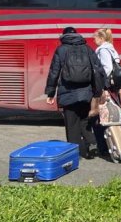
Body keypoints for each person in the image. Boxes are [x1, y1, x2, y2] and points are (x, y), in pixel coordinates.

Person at [45, 26, 104, 159]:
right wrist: (98, 91)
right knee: (84, 121)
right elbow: (98, 70)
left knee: (72, 125)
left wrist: (50, 92)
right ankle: (92, 143)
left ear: (63, 37)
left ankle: (77, 154)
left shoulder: (61, 50)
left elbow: (54, 72)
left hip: (68, 92)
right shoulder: (88, 49)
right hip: (86, 92)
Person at [91, 28, 121, 156]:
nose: (93, 39)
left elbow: (107, 68)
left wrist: (101, 85)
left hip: (105, 88)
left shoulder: (103, 50)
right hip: (111, 87)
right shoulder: (111, 48)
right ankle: (113, 144)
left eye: (95, 37)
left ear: (102, 39)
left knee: (101, 117)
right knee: (109, 116)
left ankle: (103, 147)